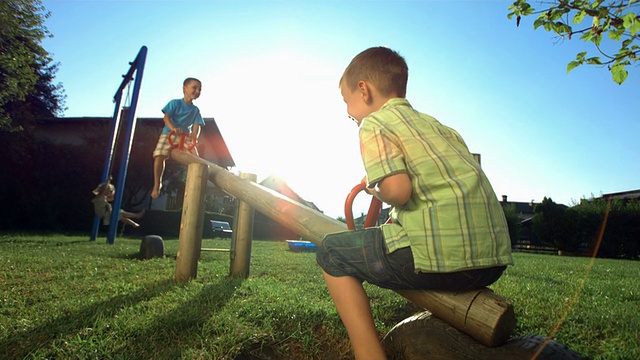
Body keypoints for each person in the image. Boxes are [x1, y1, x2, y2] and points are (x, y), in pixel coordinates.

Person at [316, 47, 513, 360]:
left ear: (363, 90)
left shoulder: (375, 124)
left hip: (444, 261)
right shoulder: (443, 129)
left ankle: (369, 355)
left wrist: (374, 186)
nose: (348, 112)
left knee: (331, 252)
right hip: (491, 261)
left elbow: (397, 190)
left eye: (346, 101)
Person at [151, 77, 205, 199]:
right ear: (184, 88)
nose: (197, 91)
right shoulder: (174, 103)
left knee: (196, 158)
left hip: (185, 135)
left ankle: (197, 182)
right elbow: (166, 118)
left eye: (200, 89)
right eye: (194, 88)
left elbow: (197, 125)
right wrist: (173, 128)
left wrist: (194, 136)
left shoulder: (195, 110)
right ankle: (157, 183)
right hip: (169, 133)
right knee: (159, 155)